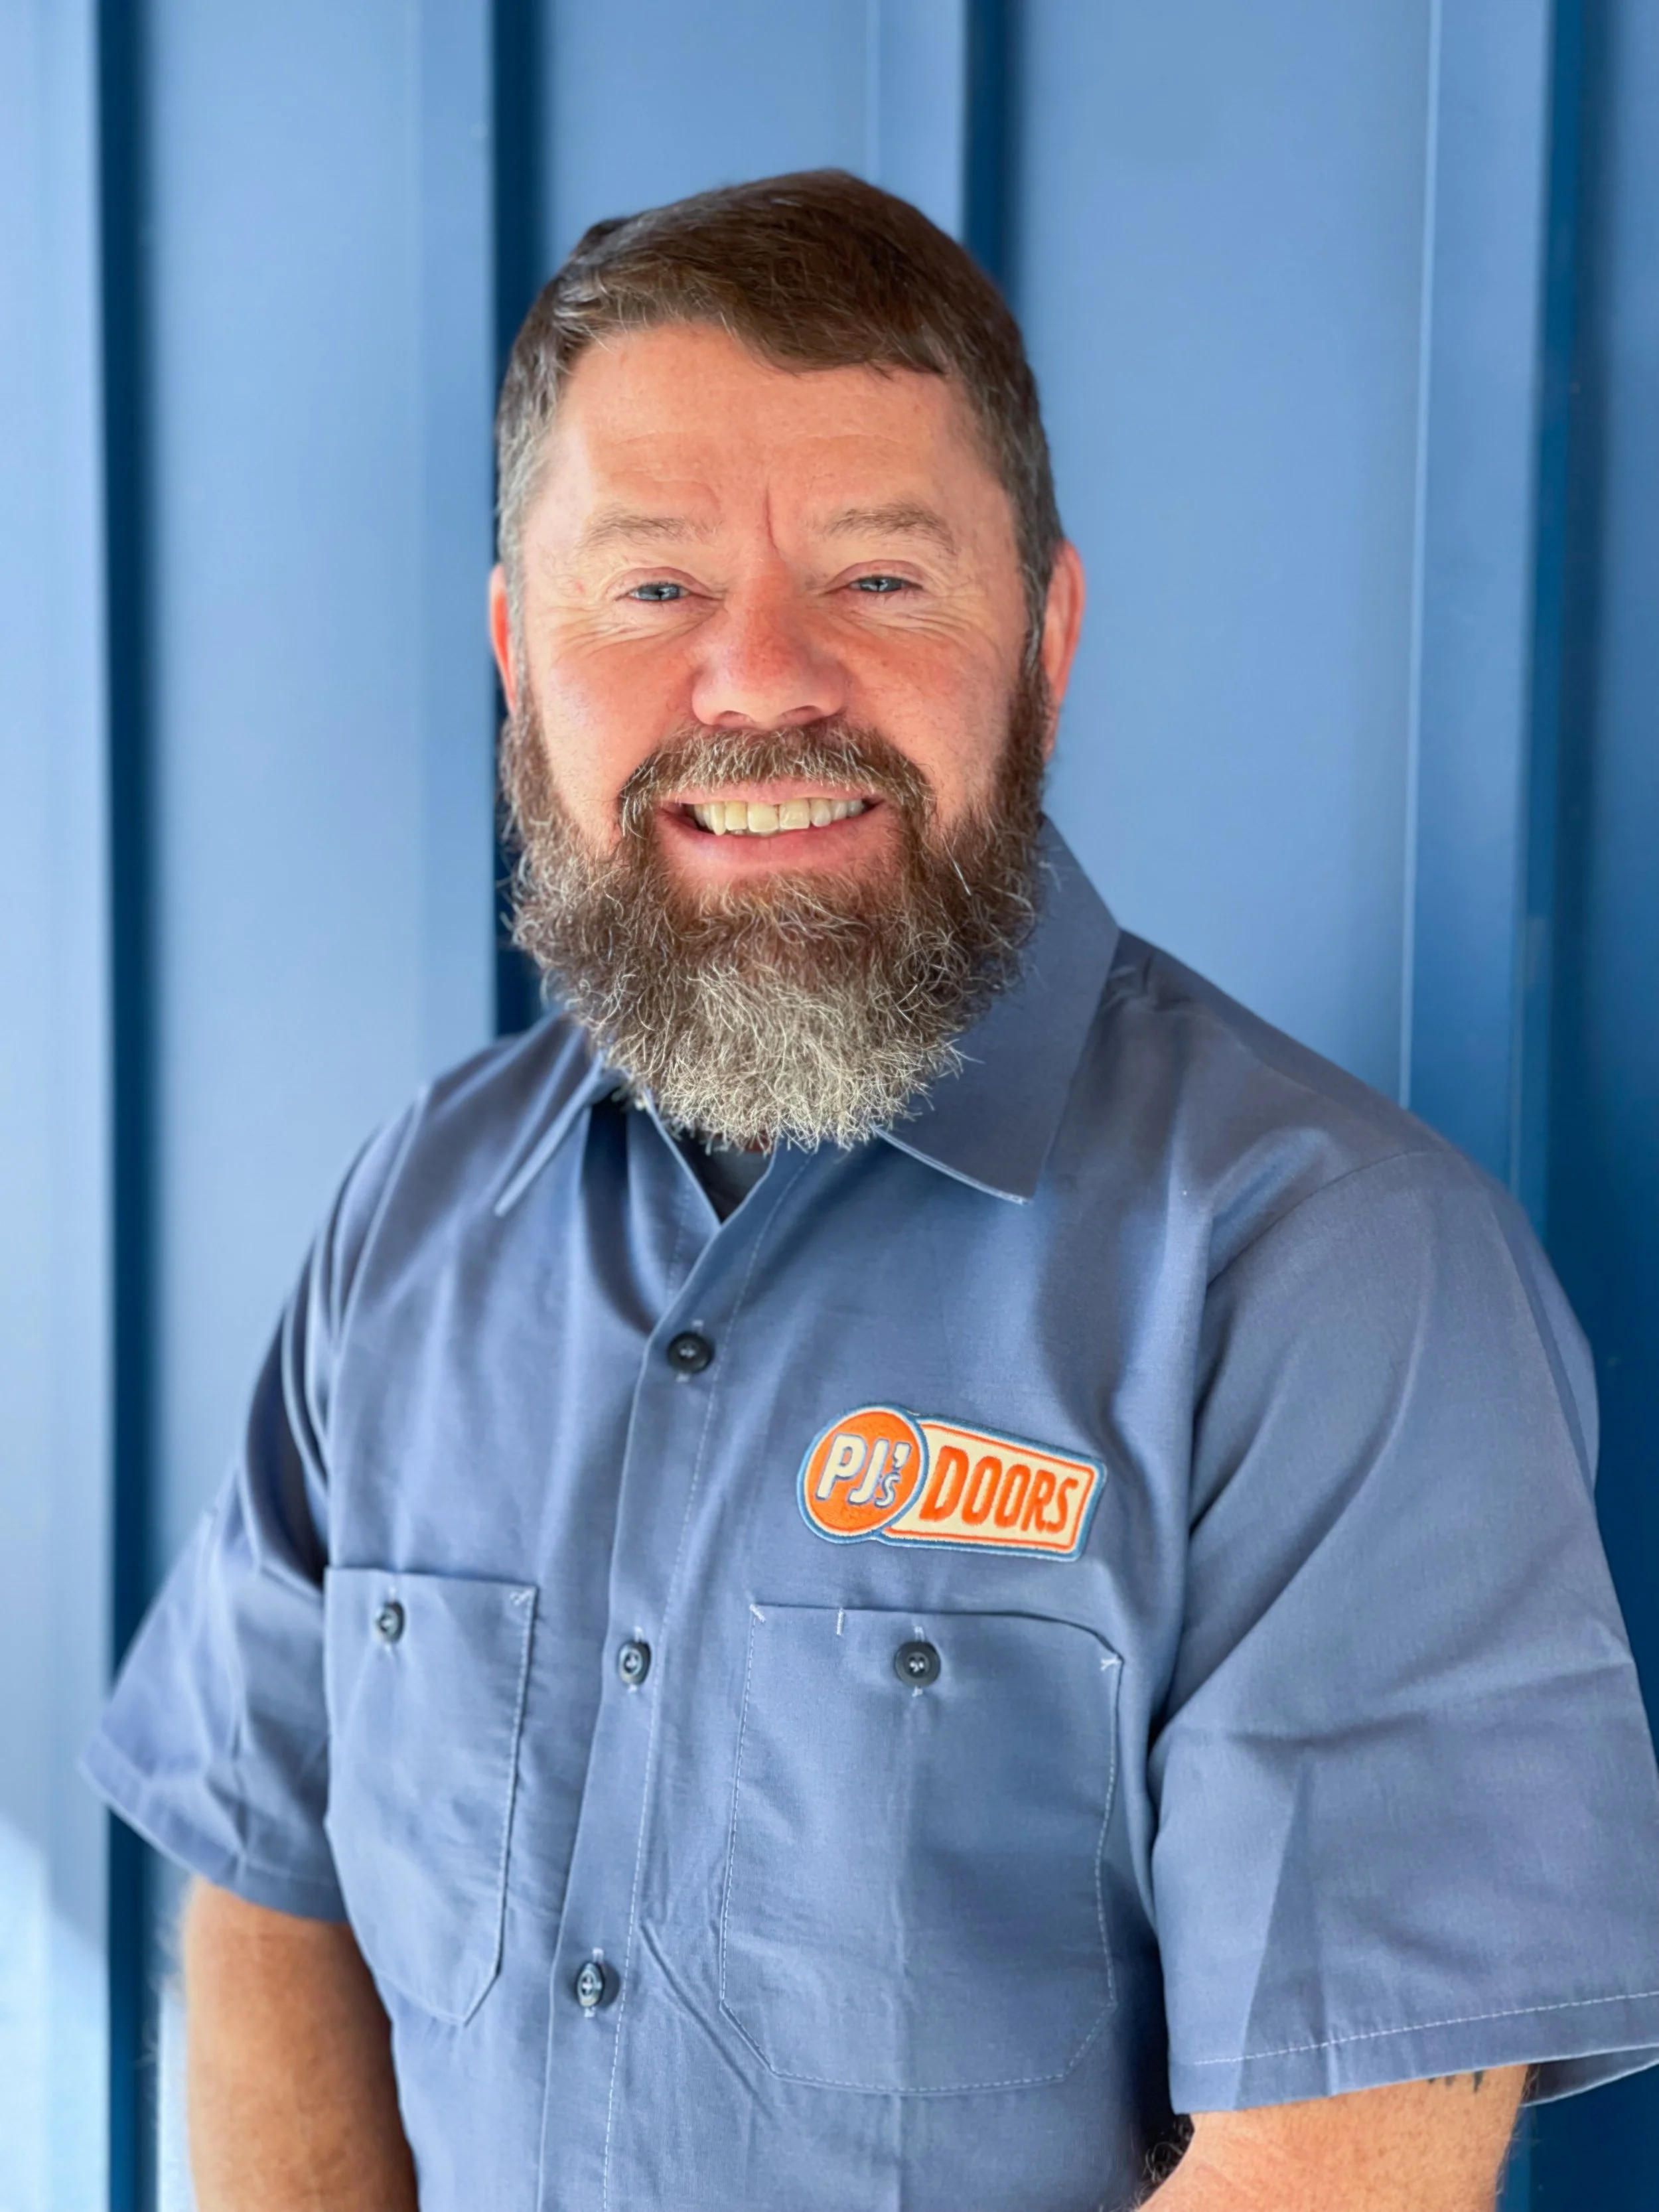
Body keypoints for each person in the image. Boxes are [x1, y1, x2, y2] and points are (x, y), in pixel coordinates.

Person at [86, 170, 1659, 2212]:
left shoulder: (1333, 1275)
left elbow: (1335, 2174)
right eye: (648, 588)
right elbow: (263, 1882)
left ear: (1045, 636)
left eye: (880, 580)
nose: (756, 680)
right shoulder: (415, 1217)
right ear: (513, 649)